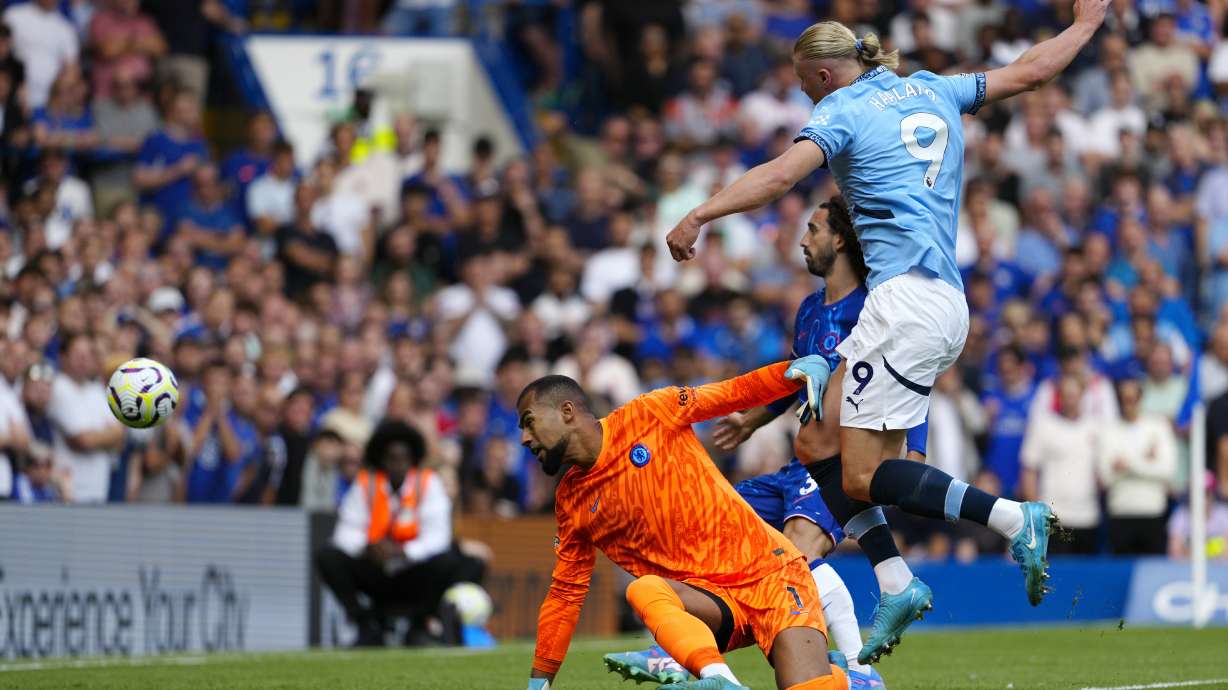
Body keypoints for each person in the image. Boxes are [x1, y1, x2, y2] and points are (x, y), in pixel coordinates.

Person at [665, 1, 1114, 623]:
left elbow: (778, 177)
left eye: (802, 84)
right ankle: (897, 581)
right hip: (935, 301)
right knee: (816, 436)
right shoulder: (933, 87)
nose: (803, 96)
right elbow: (1030, 72)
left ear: (821, 75)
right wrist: (1086, 26)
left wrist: (700, 214)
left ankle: (1013, 518)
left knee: (861, 474)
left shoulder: (839, 111)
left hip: (904, 302)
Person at [607, 198, 921, 683]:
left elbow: (905, 376)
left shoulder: (872, 308)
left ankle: (860, 671)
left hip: (840, 464)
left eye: (812, 229)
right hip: (799, 462)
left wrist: (913, 449)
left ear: (839, 239)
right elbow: (797, 378)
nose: (802, 239)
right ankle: (675, 651)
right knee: (713, 535)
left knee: (796, 553)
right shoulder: (811, 309)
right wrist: (752, 421)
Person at [519, 355, 847, 690]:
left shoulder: (649, 414)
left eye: (529, 422)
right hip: (710, 604)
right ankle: (719, 680)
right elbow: (565, 594)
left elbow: (732, 393)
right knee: (645, 589)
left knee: (812, 686)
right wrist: (539, 683)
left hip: (771, 575)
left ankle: (844, 678)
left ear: (567, 412)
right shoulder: (571, 501)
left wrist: (791, 374)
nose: (525, 439)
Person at [315, 420, 482, 647]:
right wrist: (369, 546)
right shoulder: (366, 485)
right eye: (391, 458)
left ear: (412, 459)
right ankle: (366, 623)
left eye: (403, 458)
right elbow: (345, 532)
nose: (397, 465)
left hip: (414, 572)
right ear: (381, 460)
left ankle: (421, 623)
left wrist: (403, 551)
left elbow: (437, 538)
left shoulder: (427, 483)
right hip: (375, 569)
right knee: (327, 555)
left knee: (455, 562)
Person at [1098, 378, 1177, 555]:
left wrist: (1128, 464)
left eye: (1132, 399)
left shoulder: (1158, 427)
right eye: (1124, 399)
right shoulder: (1108, 430)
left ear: (1141, 399)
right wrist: (1145, 459)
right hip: (1120, 512)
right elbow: (1105, 477)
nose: (1128, 405)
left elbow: (1167, 470)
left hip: (1153, 512)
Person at [48, 334, 125, 504]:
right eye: (78, 354)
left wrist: (100, 437)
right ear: (63, 357)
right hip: (67, 493)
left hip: (99, 489)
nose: (84, 359)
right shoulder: (58, 388)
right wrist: (107, 436)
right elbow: (84, 440)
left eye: (88, 354)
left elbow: (120, 436)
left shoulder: (96, 390)